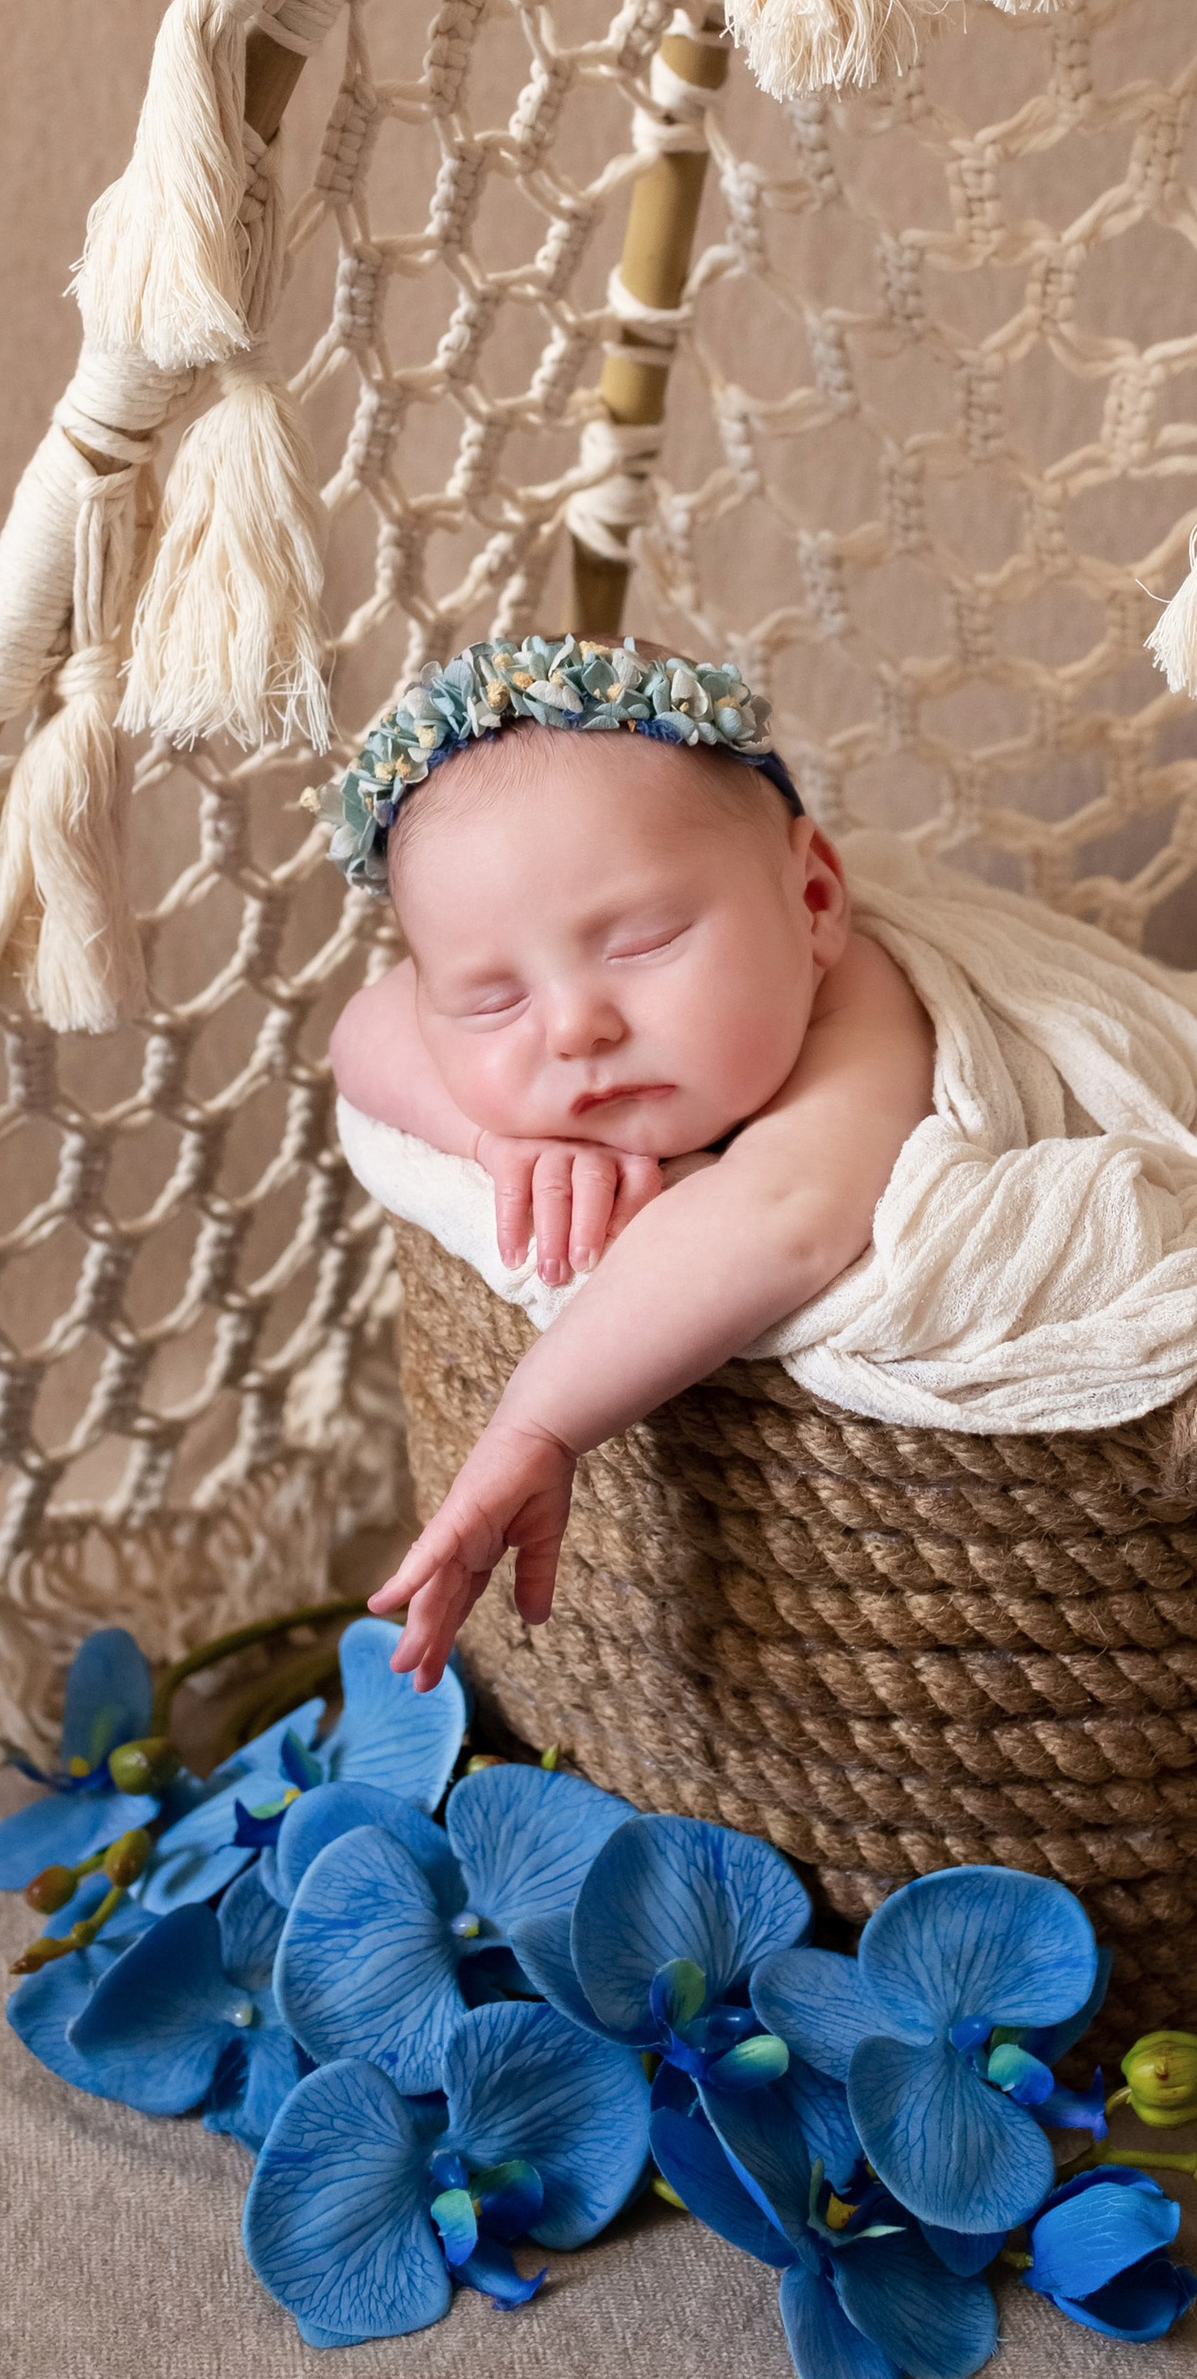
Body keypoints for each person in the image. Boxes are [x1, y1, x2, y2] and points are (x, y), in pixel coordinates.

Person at [323, 640, 933, 1692]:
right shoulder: (503, 1026)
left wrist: (541, 1422)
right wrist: (494, 1139)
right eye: (492, 1000)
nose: (574, 1027)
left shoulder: (859, 1008)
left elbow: (786, 1211)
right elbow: (364, 1028)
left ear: (813, 900)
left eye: (643, 943)